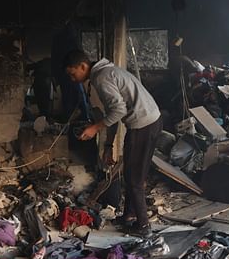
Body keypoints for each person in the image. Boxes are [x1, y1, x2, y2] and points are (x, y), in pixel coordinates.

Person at [64, 50, 162, 237]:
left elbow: (118, 110)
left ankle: (143, 226)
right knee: (130, 173)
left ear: (83, 66)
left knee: (135, 178)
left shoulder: (102, 78)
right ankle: (128, 216)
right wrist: (109, 145)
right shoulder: (107, 72)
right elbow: (113, 114)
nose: (72, 79)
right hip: (148, 122)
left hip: (144, 125)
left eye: (72, 73)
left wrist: (95, 128)